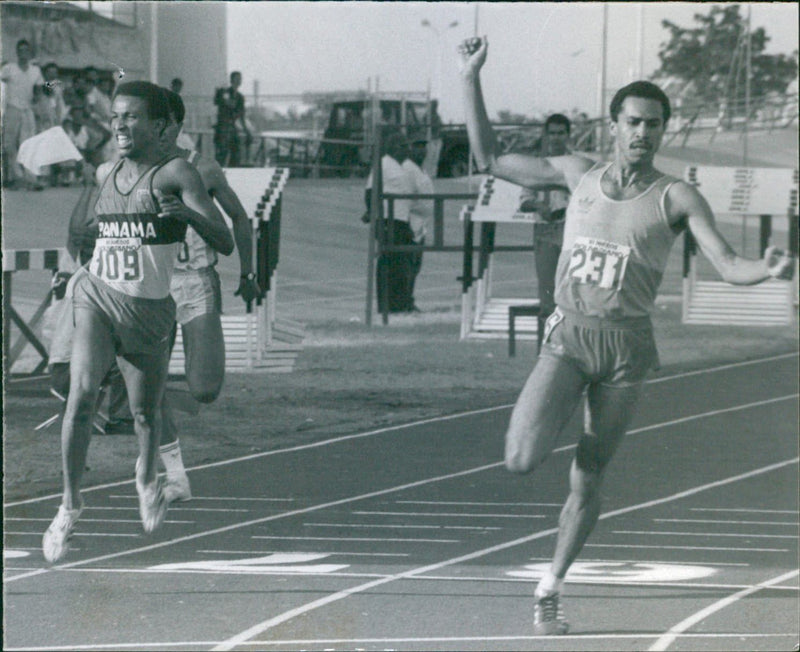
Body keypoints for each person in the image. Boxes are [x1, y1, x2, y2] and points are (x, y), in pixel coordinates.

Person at [459, 37, 795, 635]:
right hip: (570, 336)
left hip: (626, 349)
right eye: (634, 122)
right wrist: (470, 78)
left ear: (662, 132)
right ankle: (554, 409)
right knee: (520, 459)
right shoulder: (574, 172)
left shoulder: (676, 196)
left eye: (654, 125)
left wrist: (766, 270)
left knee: (589, 472)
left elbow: (726, 263)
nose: (644, 133)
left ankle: (549, 589)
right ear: (613, 125)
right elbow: (487, 158)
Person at [42, 81, 234, 564]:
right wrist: (75, 269)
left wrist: (188, 214)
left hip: (148, 311)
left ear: (160, 127)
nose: (121, 126)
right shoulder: (107, 170)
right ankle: (68, 506)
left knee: (146, 413)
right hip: (99, 299)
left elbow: (225, 239)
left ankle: (148, 479)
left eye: (131, 117)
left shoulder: (178, 172)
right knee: (82, 395)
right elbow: (93, 232)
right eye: (115, 117)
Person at [157, 89, 261, 502]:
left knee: (204, 390)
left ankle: (148, 396)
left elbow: (238, 217)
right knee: (149, 385)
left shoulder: (205, 168)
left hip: (197, 280)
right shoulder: (133, 169)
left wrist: (249, 271)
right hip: (155, 286)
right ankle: (167, 460)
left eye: (165, 124)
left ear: (177, 127)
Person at [518, 113, 573, 320]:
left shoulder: (577, 164)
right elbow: (524, 200)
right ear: (546, 136)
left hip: (572, 230)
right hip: (545, 229)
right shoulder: (536, 165)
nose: (556, 138)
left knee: (572, 290)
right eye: (552, 133)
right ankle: (549, 346)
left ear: (568, 135)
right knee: (548, 292)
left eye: (561, 133)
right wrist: (540, 206)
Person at [362, 131, 416, 313]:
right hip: (388, 219)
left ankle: (400, 303)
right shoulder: (384, 164)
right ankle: (387, 306)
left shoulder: (399, 166)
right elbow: (371, 191)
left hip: (401, 219)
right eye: (403, 146)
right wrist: (372, 213)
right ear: (394, 148)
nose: (407, 150)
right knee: (390, 262)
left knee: (402, 263)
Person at [1, 39, 45, 190]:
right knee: (9, 144)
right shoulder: (8, 68)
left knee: (28, 144)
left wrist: (39, 110)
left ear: (29, 52)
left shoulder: (35, 71)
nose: (23, 53)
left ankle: (30, 178)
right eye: (20, 50)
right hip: (12, 109)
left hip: (27, 110)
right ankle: (15, 177)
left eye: (26, 50)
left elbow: (39, 92)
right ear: (17, 52)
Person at [402, 137, 435, 311]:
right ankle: (405, 302)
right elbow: (405, 199)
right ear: (410, 148)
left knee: (415, 266)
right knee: (408, 266)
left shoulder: (421, 170)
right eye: (417, 146)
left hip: (421, 224)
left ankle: (409, 300)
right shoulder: (407, 169)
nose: (422, 151)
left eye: (424, 147)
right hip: (411, 222)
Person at [213, 71, 250, 167]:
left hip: (232, 129)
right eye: (237, 78)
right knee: (221, 155)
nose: (239, 80)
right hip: (223, 129)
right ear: (231, 80)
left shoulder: (240, 97)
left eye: (240, 78)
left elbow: (241, 115)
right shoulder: (225, 92)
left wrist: (246, 131)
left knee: (235, 155)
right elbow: (221, 102)